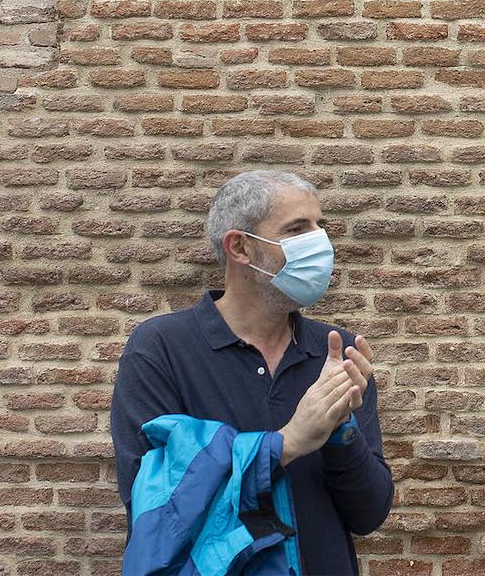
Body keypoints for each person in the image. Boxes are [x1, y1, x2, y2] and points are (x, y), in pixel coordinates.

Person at [110, 170, 393, 575]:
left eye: (320, 226)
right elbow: (158, 501)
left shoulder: (335, 352)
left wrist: (340, 432)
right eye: (297, 229)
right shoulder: (161, 348)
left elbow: (368, 515)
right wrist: (287, 443)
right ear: (239, 247)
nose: (320, 243)